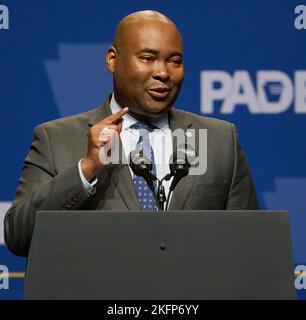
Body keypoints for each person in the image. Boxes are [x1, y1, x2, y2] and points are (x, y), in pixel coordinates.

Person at [4, 10, 259, 257]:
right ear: (112, 59)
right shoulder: (56, 138)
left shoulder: (218, 139)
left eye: (175, 61)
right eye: (148, 58)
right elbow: (19, 236)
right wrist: (87, 169)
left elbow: (250, 245)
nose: (163, 72)